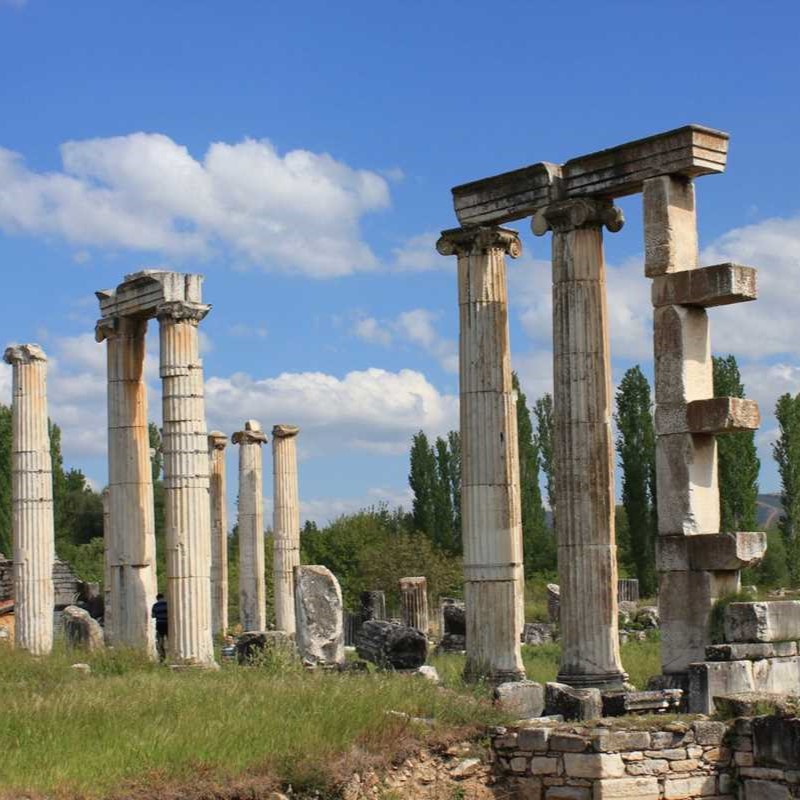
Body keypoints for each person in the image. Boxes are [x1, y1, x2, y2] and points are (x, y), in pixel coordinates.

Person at [151, 593, 168, 661]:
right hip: (167, 624)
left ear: (157, 599)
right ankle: (173, 655)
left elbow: (153, 616)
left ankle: (162, 658)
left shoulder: (155, 605)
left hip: (159, 624)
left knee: (160, 642)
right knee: (170, 640)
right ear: (163, 597)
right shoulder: (167, 604)